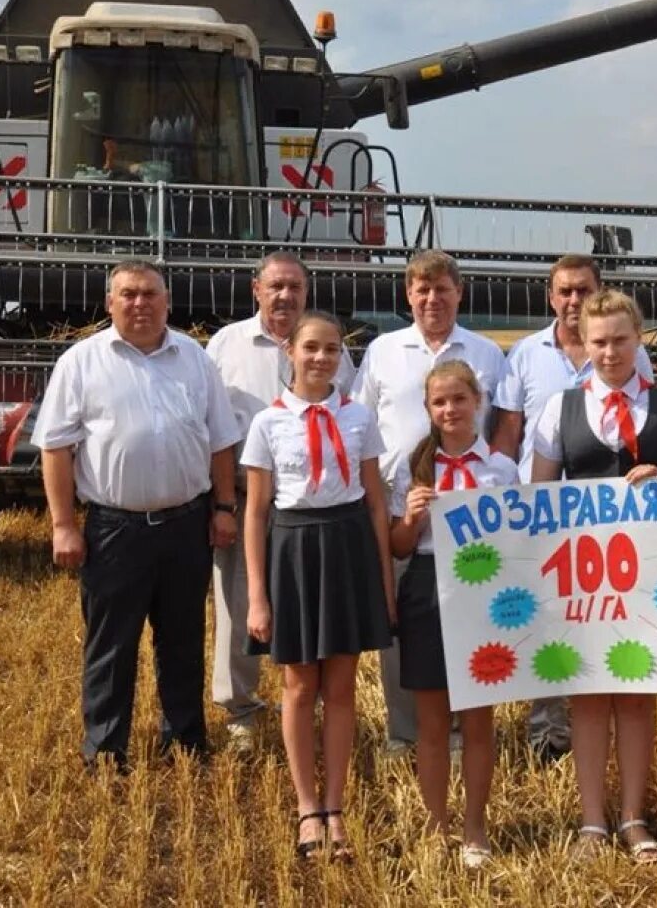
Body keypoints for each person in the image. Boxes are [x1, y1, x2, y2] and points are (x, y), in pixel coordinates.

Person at [33, 260, 241, 770]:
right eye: (128, 294)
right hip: (114, 530)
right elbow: (56, 448)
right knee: (111, 646)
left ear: (168, 302)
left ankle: (185, 744)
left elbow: (220, 442)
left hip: (186, 525)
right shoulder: (81, 362)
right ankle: (106, 750)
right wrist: (63, 525)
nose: (139, 303)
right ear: (109, 303)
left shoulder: (195, 358)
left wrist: (223, 507)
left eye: (150, 294)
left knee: (184, 641)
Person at [531, 289, 657, 863]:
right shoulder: (559, 408)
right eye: (599, 341)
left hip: (646, 577)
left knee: (634, 696)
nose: (609, 353)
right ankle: (591, 822)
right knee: (587, 698)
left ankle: (632, 818)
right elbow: (538, 499)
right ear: (585, 341)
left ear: (639, 337)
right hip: (581, 578)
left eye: (621, 340)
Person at [243, 310, 396, 861]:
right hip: (293, 550)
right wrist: (258, 596)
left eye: (332, 349)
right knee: (298, 686)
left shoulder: (359, 419)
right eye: (311, 347)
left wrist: (383, 580)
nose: (321, 358)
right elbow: (256, 513)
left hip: (349, 547)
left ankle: (336, 807)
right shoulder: (267, 423)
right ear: (290, 352)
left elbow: (376, 503)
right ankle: (307, 806)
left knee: (341, 688)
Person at [492, 254, 653, 762]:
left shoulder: (628, 356)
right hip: (548, 517)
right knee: (553, 627)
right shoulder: (523, 355)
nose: (572, 300)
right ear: (550, 296)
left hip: (616, 523)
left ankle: (606, 736)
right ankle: (546, 735)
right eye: (564, 291)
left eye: (583, 290)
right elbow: (508, 435)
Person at [351, 250, 507, 754]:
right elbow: (360, 424)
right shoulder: (382, 351)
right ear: (408, 295)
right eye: (422, 289)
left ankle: (462, 730)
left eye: (442, 288)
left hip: (471, 512)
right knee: (401, 623)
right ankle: (404, 730)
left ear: (459, 293)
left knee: (470, 623)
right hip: (405, 501)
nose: (432, 298)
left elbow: (506, 425)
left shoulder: (486, 354)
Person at [205, 252, 356, 748]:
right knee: (239, 605)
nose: (285, 295)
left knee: (309, 604)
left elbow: (349, 421)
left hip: (313, 509)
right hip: (246, 497)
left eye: (294, 287)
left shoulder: (335, 351)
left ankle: (305, 700)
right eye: (276, 286)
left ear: (306, 293)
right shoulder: (224, 346)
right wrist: (222, 504)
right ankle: (240, 711)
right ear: (256, 289)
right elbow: (213, 431)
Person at [389, 361, 518, 869]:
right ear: (428, 409)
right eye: (439, 402)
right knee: (432, 722)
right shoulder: (414, 466)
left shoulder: (502, 470)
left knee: (479, 721)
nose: (449, 410)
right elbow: (399, 548)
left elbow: (517, 543)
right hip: (426, 588)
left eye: (458, 400)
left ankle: (475, 829)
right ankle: (435, 827)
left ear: (478, 402)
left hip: (483, 594)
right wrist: (410, 518)